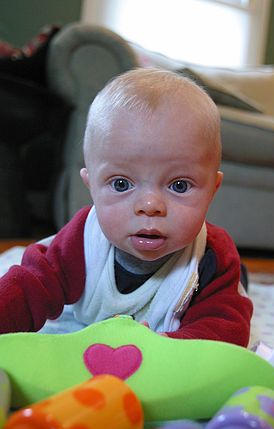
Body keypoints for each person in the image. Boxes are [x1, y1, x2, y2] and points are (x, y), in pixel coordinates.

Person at [0, 68, 253, 345]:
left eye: (179, 185)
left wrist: (162, 348)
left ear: (212, 190)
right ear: (91, 186)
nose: (150, 205)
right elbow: (28, 286)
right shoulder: (82, 240)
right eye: (121, 184)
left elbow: (225, 332)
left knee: (234, 288)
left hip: (199, 297)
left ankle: (241, 276)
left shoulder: (210, 258)